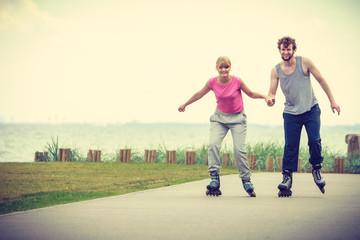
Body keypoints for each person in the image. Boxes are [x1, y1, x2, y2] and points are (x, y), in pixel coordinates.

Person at [178, 56, 271, 197]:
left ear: (230, 67)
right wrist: (185, 104)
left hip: (238, 119)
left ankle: (246, 180)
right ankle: (214, 177)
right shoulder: (212, 82)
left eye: (226, 67)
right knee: (213, 145)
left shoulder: (237, 81)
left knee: (239, 150)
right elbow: (199, 94)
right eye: (221, 67)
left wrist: (265, 97)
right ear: (217, 68)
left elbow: (251, 93)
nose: (223, 70)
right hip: (219, 119)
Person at [267, 36, 341, 197]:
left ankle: (316, 168)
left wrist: (332, 101)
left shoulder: (305, 62)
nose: (285, 52)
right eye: (283, 49)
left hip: (311, 109)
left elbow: (321, 80)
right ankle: (287, 177)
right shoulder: (276, 70)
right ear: (279, 50)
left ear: (294, 49)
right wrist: (271, 99)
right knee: (290, 146)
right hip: (291, 113)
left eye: (288, 49)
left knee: (314, 140)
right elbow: (271, 92)